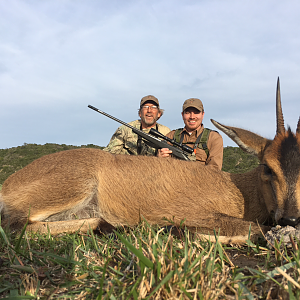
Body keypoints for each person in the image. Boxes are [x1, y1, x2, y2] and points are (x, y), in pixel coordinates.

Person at [158, 98, 223, 170]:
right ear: (182, 115)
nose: (192, 117)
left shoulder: (214, 137)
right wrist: (159, 158)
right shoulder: (171, 136)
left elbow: (214, 169)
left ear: (203, 114)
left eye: (196, 112)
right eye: (188, 113)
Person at [103, 95, 170, 156]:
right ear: (140, 113)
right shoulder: (125, 129)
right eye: (145, 107)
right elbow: (108, 155)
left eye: (153, 107)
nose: (149, 110)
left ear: (159, 114)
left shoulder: (166, 132)